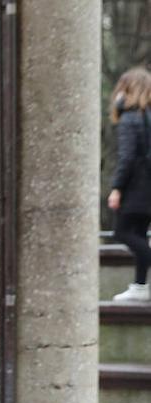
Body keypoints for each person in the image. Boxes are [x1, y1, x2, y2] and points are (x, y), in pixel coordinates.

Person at [108, 66, 151, 303]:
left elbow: (126, 157)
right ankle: (140, 285)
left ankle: (140, 286)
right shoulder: (147, 116)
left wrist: (117, 188)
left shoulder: (129, 119)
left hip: (136, 187)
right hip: (147, 188)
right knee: (140, 235)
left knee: (122, 232)